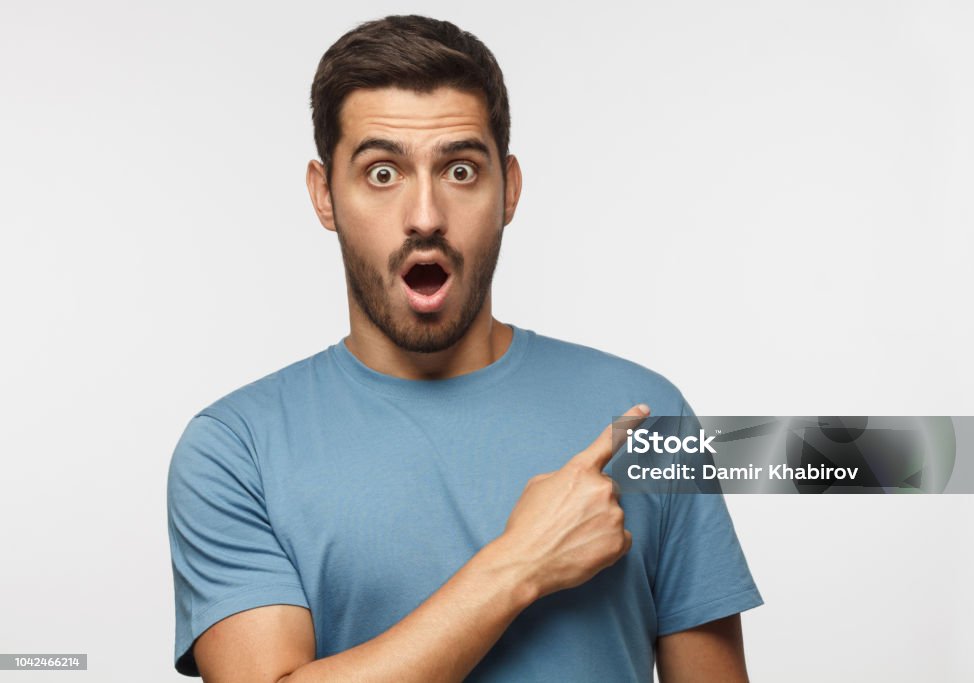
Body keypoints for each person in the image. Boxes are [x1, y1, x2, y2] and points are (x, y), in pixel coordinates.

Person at [166, 14, 763, 682]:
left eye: (459, 169)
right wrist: (521, 562)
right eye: (383, 172)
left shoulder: (649, 420)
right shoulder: (233, 450)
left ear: (508, 188)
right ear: (323, 194)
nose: (425, 215)